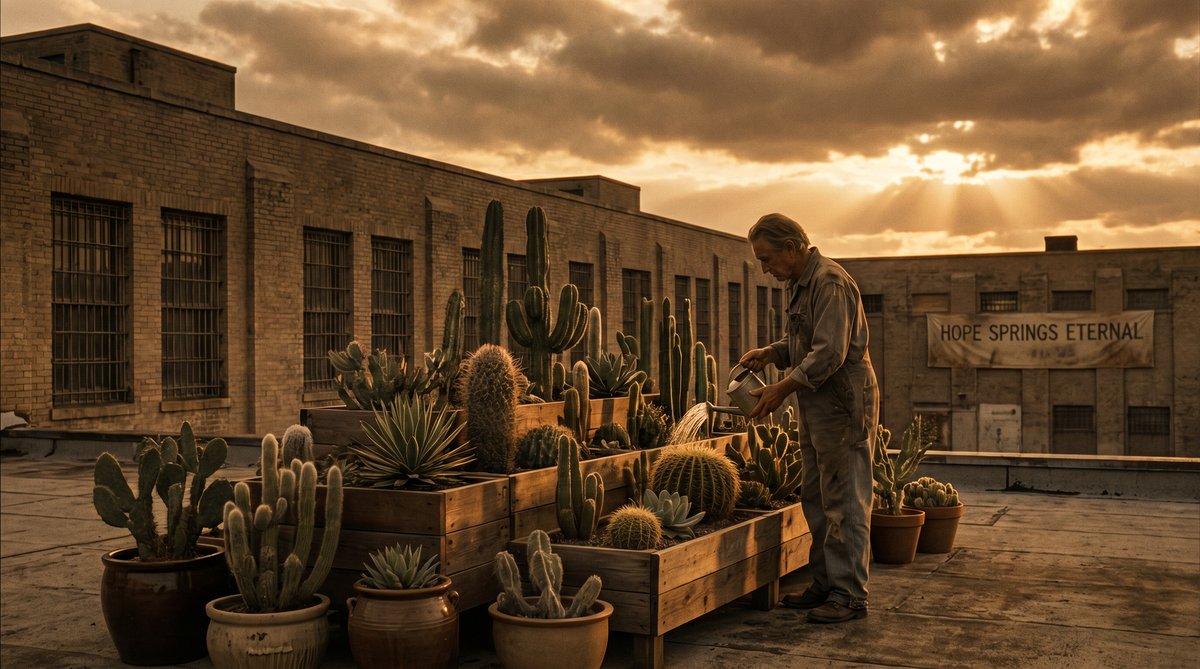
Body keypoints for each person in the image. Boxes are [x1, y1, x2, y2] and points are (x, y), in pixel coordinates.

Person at [738, 212, 879, 624]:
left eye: (767, 258)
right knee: (816, 497)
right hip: (818, 405)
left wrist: (782, 388)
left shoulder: (829, 282)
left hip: (841, 404)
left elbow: (830, 353)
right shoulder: (802, 283)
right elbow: (805, 340)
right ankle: (827, 584)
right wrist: (773, 353)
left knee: (845, 502)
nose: (765, 268)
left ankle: (850, 595)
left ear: (792, 247)